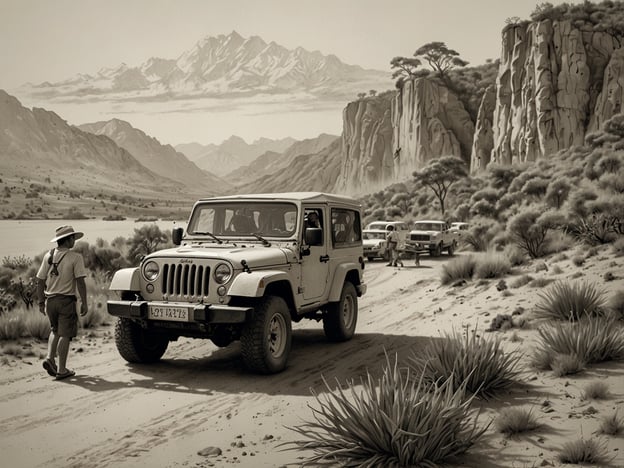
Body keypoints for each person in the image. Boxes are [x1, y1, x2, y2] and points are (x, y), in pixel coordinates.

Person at [36, 225, 88, 380]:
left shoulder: (48, 255)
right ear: (69, 239)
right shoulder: (75, 258)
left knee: (55, 331)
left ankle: (50, 358)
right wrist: (84, 302)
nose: (74, 241)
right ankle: (62, 369)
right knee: (65, 335)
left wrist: (40, 302)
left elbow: (39, 281)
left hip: (50, 300)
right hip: (66, 300)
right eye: (73, 238)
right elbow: (80, 282)